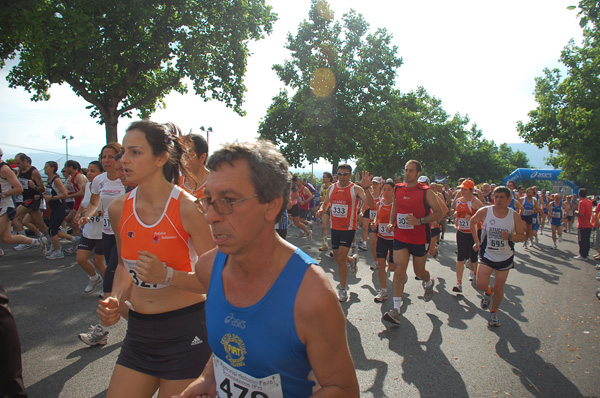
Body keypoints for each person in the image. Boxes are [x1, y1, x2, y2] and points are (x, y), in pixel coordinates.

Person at [175, 140, 359, 398]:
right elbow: (232, 348)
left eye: (227, 201)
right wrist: (209, 376)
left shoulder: (311, 293)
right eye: (208, 201)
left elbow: (342, 389)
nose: (210, 216)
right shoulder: (208, 266)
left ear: (272, 205)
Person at [93, 121, 215, 397]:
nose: (123, 160)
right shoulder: (118, 208)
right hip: (139, 334)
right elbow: (125, 264)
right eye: (123, 152)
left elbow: (215, 280)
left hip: (186, 332)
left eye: (135, 152)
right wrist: (115, 297)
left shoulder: (188, 208)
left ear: (161, 158)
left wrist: (167, 276)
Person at [382, 160, 444, 325]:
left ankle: (428, 281)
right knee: (399, 269)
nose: (407, 173)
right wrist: (391, 222)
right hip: (401, 236)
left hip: (419, 238)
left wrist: (421, 221)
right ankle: (395, 310)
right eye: (406, 170)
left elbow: (440, 212)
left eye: (411, 171)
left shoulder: (426, 192)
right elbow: (395, 206)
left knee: (418, 272)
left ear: (418, 174)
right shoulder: (398, 188)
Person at [316, 164, 375, 302]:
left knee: (340, 259)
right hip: (335, 228)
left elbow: (371, 204)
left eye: (345, 174)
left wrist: (366, 188)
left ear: (350, 175)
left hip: (348, 229)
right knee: (338, 258)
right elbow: (325, 204)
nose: (342, 177)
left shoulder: (356, 188)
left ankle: (342, 289)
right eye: (340, 174)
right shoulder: (332, 188)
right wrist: (320, 210)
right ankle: (353, 260)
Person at [471, 186, 526, 327]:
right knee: (481, 284)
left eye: (502, 197)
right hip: (487, 254)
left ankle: (494, 312)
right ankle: (487, 292)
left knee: (499, 288)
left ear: (509, 200)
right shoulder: (485, 211)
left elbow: (522, 236)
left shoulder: (514, 216)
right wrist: (477, 241)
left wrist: (509, 236)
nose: (498, 200)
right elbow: (472, 221)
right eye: (496, 197)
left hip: (505, 257)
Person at [0, 149, 47, 255]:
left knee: (18, 219)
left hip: (13, 204)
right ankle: (36, 241)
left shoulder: (5, 169)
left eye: (18, 163)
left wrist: (3, 194)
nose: (17, 165)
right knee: (6, 238)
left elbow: (19, 188)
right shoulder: (19, 171)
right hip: (20, 200)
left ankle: (52, 242)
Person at [73, 161, 106, 293]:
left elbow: (108, 210)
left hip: (102, 231)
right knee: (81, 258)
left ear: (101, 174)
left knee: (99, 261)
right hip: (89, 229)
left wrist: (94, 213)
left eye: (93, 171)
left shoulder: (106, 187)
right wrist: (78, 214)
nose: (89, 173)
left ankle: (108, 287)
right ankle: (94, 278)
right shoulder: (88, 185)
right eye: (89, 170)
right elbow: (85, 201)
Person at [41, 161, 71, 259]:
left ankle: (58, 251)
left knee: (53, 229)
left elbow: (65, 194)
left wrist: (52, 198)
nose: (45, 169)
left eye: (46, 167)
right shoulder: (49, 180)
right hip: (54, 207)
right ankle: (71, 240)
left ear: (52, 168)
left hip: (60, 206)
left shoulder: (56, 180)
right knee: (52, 228)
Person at [373, 179, 395, 302]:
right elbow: (377, 216)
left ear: (393, 191)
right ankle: (383, 291)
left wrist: (392, 225)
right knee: (381, 265)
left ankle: (400, 273)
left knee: (391, 267)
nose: (386, 192)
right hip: (381, 237)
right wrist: (375, 223)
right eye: (384, 189)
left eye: (389, 190)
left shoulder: (396, 205)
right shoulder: (380, 203)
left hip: (394, 239)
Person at [574, 188, 593, 260]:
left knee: (581, 240)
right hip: (589, 223)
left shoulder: (582, 202)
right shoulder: (589, 201)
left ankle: (582, 255)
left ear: (579, 194)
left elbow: (581, 213)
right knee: (587, 240)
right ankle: (586, 254)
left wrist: (575, 212)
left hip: (583, 224)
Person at [318, 172, 333, 251]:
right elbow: (320, 194)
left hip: (333, 207)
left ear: (329, 178)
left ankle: (335, 246)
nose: (323, 178)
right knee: (323, 225)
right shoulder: (323, 186)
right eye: (323, 177)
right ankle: (325, 243)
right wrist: (322, 198)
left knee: (334, 227)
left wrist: (326, 200)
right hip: (325, 207)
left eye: (325, 177)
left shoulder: (333, 187)